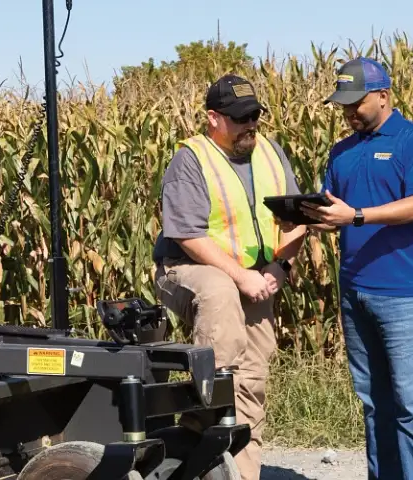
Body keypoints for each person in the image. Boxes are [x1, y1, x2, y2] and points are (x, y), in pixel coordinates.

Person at [151, 73, 309, 480]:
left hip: (258, 279)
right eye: (240, 118)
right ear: (213, 119)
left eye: (255, 115)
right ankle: (206, 404)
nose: (250, 125)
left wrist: (280, 267)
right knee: (220, 293)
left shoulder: (271, 154)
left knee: (252, 381)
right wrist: (241, 277)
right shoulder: (192, 158)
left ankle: (240, 473)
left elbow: (297, 220)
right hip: (187, 271)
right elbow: (186, 235)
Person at [305, 57, 413, 480]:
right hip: (355, 291)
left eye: (356, 103)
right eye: (343, 105)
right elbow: (335, 210)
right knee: (373, 401)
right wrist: (302, 217)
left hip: (405, 293)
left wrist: (359, 216)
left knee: (410, 401)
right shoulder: (341, 152)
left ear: (383, 96)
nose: (349, 112)